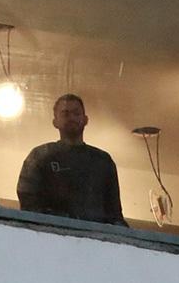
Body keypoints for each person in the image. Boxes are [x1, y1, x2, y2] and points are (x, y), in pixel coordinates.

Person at [15, 93, 126, 225]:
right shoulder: (40, 156)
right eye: (65, 114)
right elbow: (29, 205)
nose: (71, 117)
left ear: (85, 119)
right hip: (49, 233)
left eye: (76, 113)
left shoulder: (103, 161)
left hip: (94, 236)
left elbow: (114, 213)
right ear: (55, 122)